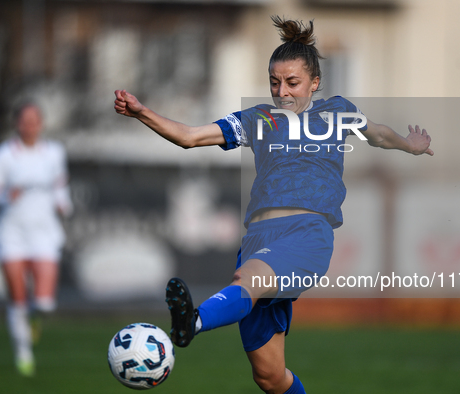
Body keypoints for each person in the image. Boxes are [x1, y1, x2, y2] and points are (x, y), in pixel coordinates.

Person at [114, 16, 433, 394]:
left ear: (315, 83)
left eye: (293, 83)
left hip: (306, 235)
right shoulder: (258, 119)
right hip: (258, 239)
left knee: (247, 281)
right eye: (274, 82)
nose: (282, 91)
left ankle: (193, 323)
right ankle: (206, 321)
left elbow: (376, 133)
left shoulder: (336, 111)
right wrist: (142, 112)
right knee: (270, 377)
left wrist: (406, 144)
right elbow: (189, 137)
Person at [0, 102, 73, 377]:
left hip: (44, 233)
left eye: (34, 120)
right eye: (24, 120)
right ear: (16, 123)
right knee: (18, 298)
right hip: (10, 233)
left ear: (41, 124)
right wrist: (6, 196)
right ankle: (23, 353)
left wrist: (63, 205)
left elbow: (60, 189)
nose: (29, 125)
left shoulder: (54, 153)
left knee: (44, 303)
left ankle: (35, 320)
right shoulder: (4, 155)